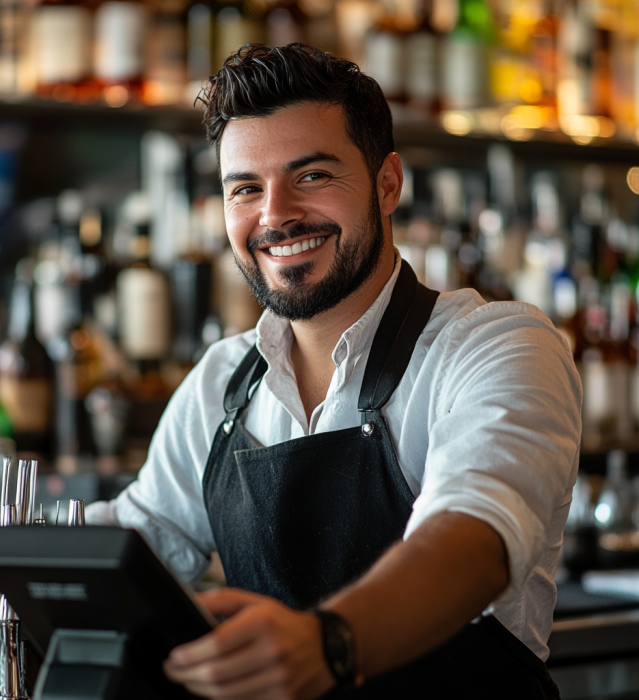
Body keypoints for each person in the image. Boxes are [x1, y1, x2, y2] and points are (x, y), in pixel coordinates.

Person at [87, 43, 582, 700]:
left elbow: (476, 533)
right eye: (246, 188)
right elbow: (128, 546)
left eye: (313, 175)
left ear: (387, 183)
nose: (275, 214)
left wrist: (330, 644)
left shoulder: (494, 346)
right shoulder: (223, 382)